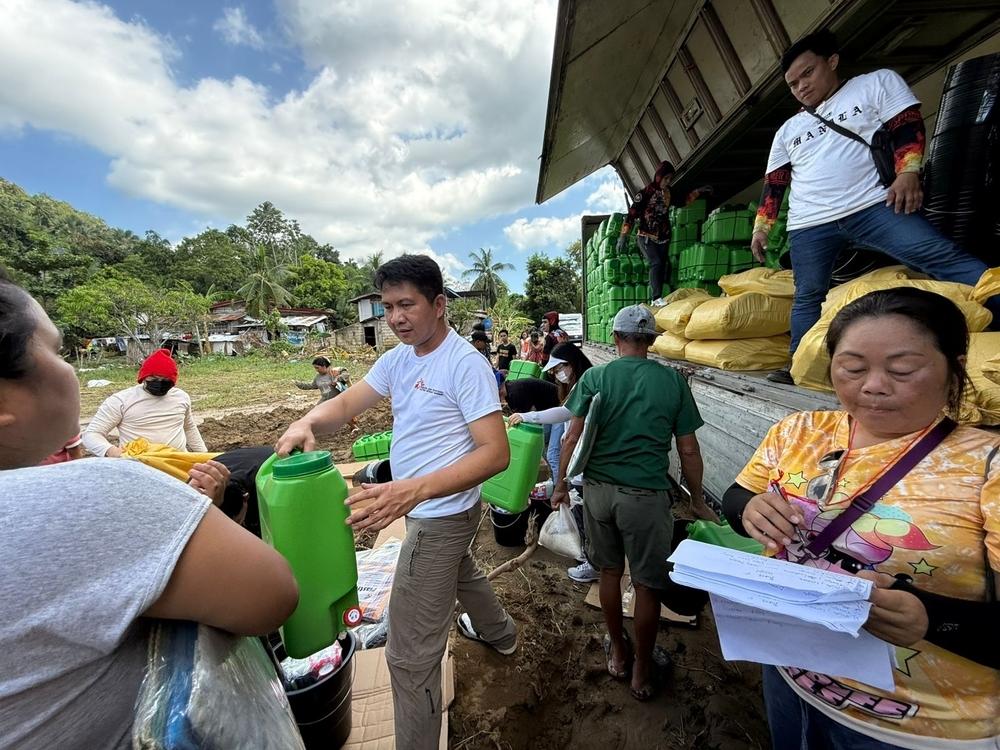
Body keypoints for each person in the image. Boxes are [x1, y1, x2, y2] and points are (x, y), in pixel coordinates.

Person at [0, 271, 298, 749]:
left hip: (179, 482)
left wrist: (204, 466)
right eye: (55, 351)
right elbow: (274, 596)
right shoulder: (105, 469)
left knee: (249, 462)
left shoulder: (180, 399)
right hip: (147, 478)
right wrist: (136, 466)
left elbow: (194, 437)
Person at [723, 287, 1000, 749]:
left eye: (902, 370)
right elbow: (737, 497)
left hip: (915, 728)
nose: (872, 385)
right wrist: (748, 508)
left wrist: (935, 619)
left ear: (954, 366)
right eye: (852, 368)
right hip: (790, 673)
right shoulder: (799, 431)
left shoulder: (986, 464)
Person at [274, 254, 517, 750]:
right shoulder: (397, 360)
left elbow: (496, 454)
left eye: (407, 304)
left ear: (439, 304)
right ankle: (503, 635)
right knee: (463, 571)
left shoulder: (464, 364)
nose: (396, 317)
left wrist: (414, 489)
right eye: (387, 307)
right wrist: (308, 422)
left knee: (408, 656)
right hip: (433, 507)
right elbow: (344, 404)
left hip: (440, 514)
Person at [749, 29, 1000, 385]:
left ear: (832, 61)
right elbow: (774, 184)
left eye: (808, 73)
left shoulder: (875, 84)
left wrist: (909, 172)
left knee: (943, 258)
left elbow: (907, 126)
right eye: (793, 84)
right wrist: (762, 227)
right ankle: (797, 366)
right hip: (809, 224)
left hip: (874, 205)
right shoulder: (789, 129)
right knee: (807, 296)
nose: (801, 86)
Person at [552, 305, 714, 701]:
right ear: (653, 341)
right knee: (647, 585)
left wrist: (559, 485)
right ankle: (642, 669)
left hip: (598, 492)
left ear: (615, 337)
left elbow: (569, 439)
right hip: (645, 497)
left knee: (609, 573)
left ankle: (619, 651)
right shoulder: (673, 382)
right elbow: (688, 450)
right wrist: (696, 499)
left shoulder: (595, 376)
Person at [509, 342, 598, 582]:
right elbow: (564, 412)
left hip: (582, 464)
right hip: (582, 463)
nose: (559, 373)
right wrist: (528, 416)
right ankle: (590, 558)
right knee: (584, 512)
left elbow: (569, 431)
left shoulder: (587, 385)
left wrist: (561, 480)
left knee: (583, 513)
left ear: (574, 363)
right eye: (555, 370)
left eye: (562, 367)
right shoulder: (581, 386)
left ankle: (589, 562)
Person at [82, 348, 206, 457]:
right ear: (144, 377)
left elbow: (189, 427)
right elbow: (92, 434)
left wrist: (204, 455)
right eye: (154, 378)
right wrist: (111, 451)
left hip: (177, 462)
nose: (160, 383)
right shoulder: (121, 401)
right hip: (140, 468)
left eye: (165, 380)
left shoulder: (181, 397)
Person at [617, 161, 712, 301]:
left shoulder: (669, 193)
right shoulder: (645, 193)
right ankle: (656, 298)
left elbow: (682, 201)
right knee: (655, 263)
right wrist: (623, 235)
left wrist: (699, 191)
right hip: (646, 236)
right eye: (665, 178)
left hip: (663, 237)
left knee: (662, 266)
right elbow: (632, 214)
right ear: (658, 176)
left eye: (670, 179)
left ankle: (661, 296)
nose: (667, 181)